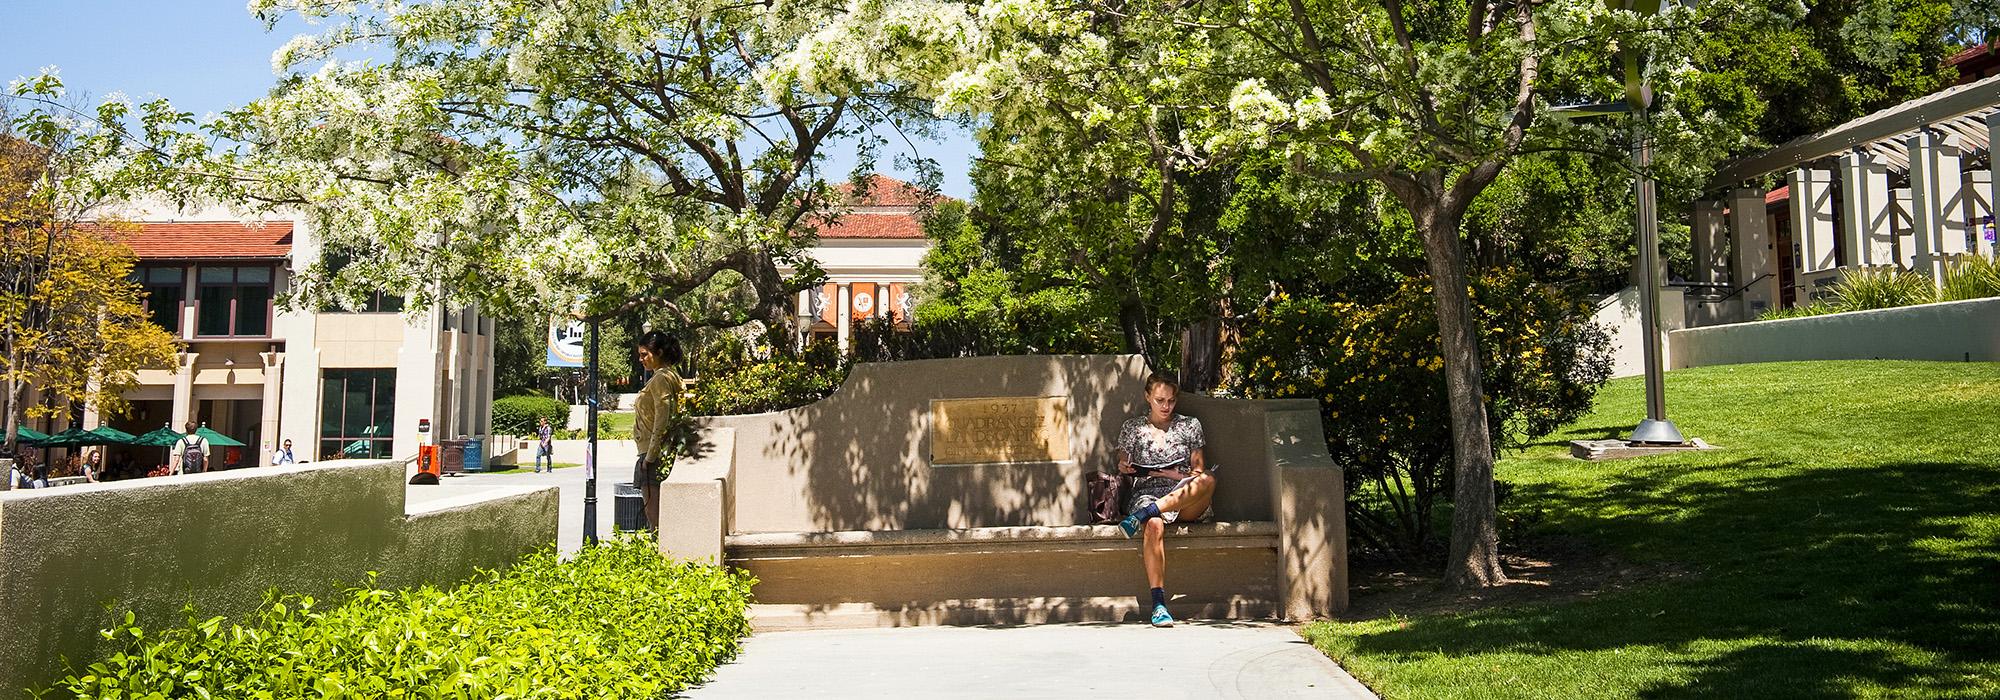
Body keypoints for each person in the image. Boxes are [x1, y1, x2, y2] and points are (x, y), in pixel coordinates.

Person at [1115, 373, 1219, 628]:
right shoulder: (1133, 428)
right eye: (1160, 400)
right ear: (1147, 397)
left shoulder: (1189, 425)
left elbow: (1198, 470)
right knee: (1153, 524)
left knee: (1208, 480)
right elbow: (1122, 463)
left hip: (1183, 495)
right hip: (1147, 493)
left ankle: (1143, 514)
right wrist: (1125, 466)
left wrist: (1176, 474)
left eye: (1171, 401)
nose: (1166, 406)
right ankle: (1159, 604)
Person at [631, 329, 686, 531]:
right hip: (657, 451)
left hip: (653, 454)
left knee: (655, 518)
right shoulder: (671, 375)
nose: (641, 359)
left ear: (659, 353)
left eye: (645, 354)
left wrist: (650, 457)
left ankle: (659, 555)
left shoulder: (661, 378)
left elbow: (663, 418)